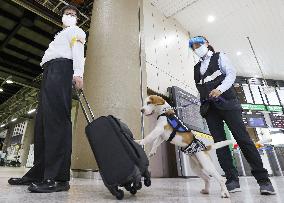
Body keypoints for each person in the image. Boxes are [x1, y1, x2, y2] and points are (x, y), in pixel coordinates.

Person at [8, 5, 86, 193]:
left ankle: (59, 179)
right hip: (50, 71)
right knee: (43, 123)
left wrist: (78, 74)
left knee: (58, 121)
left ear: (77, 19)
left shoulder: (76, 31)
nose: (70, 16)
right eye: (67, 14)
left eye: (73, 14)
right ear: (61, 18)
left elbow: (77, 51)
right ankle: (39, 173)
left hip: (62, 69)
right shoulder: (60, 35)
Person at [189, 36, 276, 195]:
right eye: (193, 46)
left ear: (207, 44)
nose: (196, 48)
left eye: (198, 44)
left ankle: (264, 181)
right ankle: (231, 180)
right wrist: (199, 102)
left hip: (228, 103)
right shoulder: (196, 68)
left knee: (243, 139)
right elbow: (200, 89)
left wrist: (220, 89)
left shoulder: (219, 56)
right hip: (210, 110)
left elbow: (231, 74)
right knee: (220, 144)